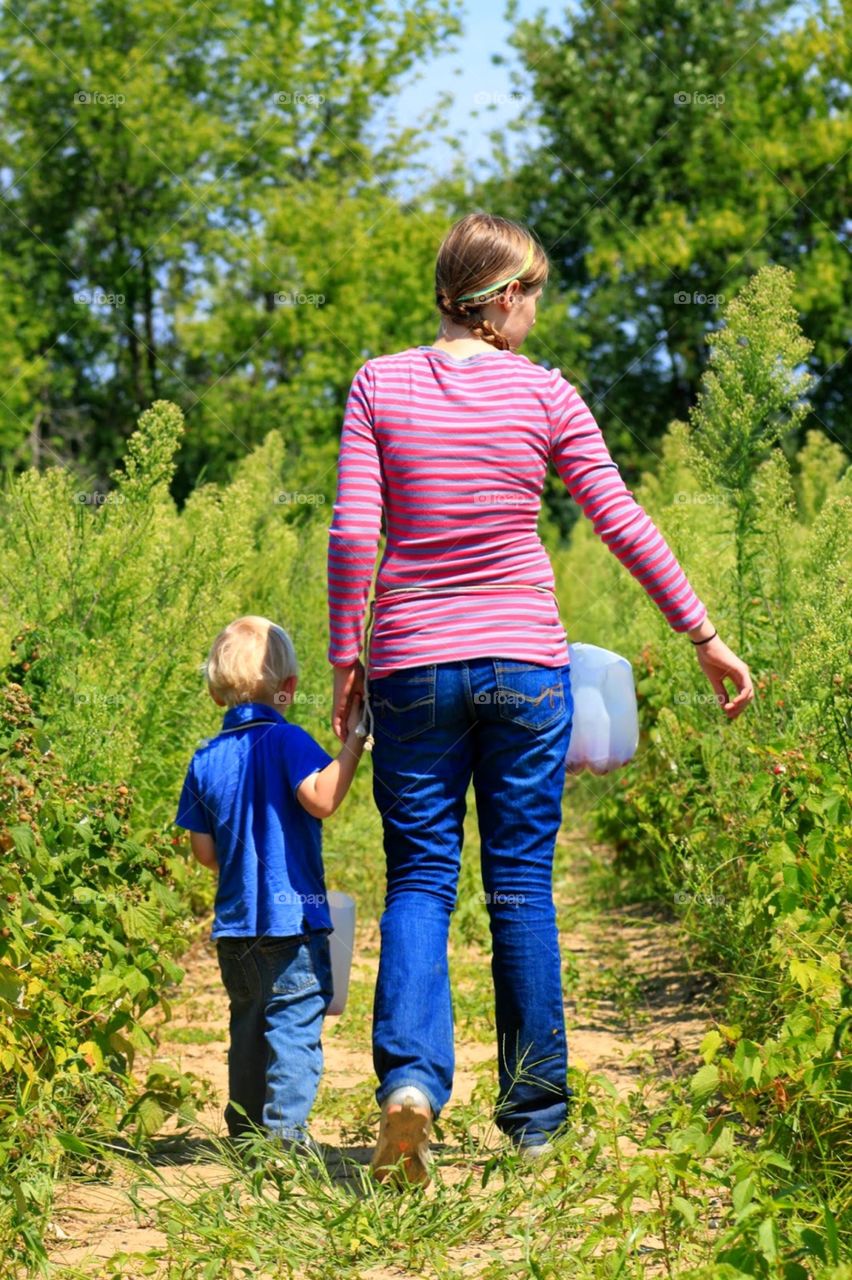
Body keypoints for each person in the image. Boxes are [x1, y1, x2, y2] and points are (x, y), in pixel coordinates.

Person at [326, 212, 753, 1185]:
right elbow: (621, 521)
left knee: (423, 879)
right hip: (524, 665)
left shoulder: (378, 384)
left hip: (411, 668)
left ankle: (410, 1085)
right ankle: (534, 1122)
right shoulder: (548, 395)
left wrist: (349, 659)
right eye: (536, 294)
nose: (538, 313)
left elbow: (356, 535)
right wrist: (705, 634)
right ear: (505, 294)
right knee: (519, 882)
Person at [174, 615, 365, 1147]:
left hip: (235, 930)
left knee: (248, 1028)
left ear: (216, 694)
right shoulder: (288, 741)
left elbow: (204, 851)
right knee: (294, 1027)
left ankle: (245, 1131)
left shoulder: (205, 759)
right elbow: (321, 798)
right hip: (293, 926)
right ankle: (283, 1138)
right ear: (289, 690)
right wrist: (353, 741)